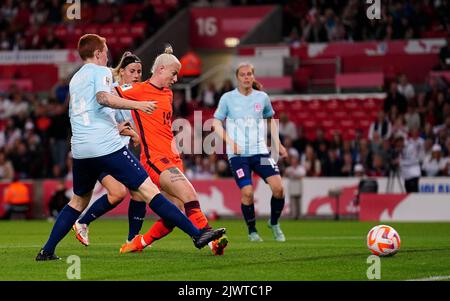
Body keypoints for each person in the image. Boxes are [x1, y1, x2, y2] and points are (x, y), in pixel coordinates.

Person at [35, 34, 225, 261]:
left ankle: (47, 250)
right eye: (105, 50)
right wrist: (138, 104)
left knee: (78, 201)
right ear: (97, 53)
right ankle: (197, 235)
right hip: (106, 146)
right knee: (148, 192)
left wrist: (117, 124)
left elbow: (85, 110)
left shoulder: (75, 79)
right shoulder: (101, 72)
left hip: (80, 149)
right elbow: (104, 98)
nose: (108, 55)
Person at [115, 46, 228, 256]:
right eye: (173, 73)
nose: (176, 79)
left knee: (174, 212)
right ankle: (211, 238)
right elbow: (107, 96)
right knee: (189, 194)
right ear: (160, 70)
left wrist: (167, 56)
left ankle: (138, 243)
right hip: (154, 159)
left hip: (173, 158)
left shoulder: (167, 93)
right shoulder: (137, 90)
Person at [72, 51, 147, 245]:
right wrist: (124, 131)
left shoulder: (135, 94)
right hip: (104, 149)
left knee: (130, 193)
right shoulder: (110, 91)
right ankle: (83, 222)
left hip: (118, 150)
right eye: (133, 71)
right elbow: (99, 120)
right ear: (121, 72)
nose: (137, 75)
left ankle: (131, 239)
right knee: (126, 192)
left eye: (140, 71)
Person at [212, 62, 288, 242]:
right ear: (237, 78)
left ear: (253, 76)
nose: (246, 77)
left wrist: (278, 145)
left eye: (249, 74)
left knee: (278, 189)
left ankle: (274, 223)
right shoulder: (227, 98)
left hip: (260, 152)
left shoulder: (262, 98)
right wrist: (231, 142)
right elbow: (216, 123)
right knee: (247, 192)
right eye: (242, 74)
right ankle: (252, 231)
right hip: (237, 155)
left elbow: (271, 120)